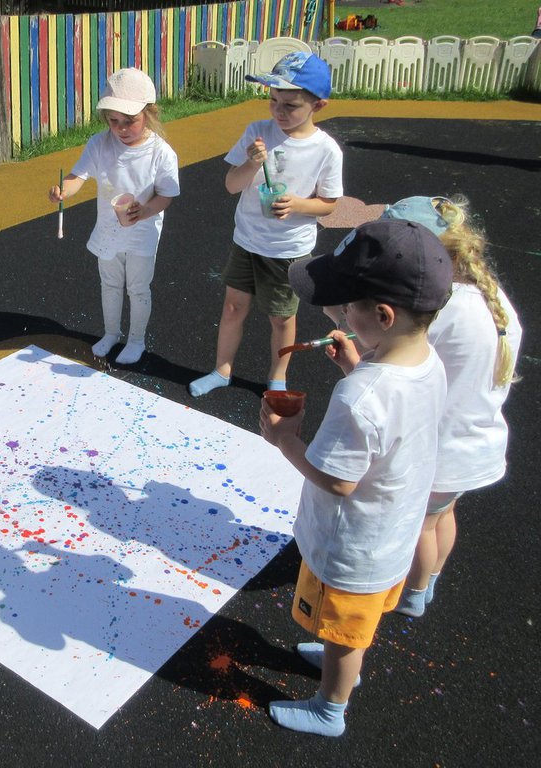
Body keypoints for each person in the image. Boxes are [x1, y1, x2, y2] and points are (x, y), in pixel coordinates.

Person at [259, 218, 454, 736]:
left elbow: (337, 480)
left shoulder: (361, 397)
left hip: (352, 549)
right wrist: (356, 366)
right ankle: (338, 661)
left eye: (348, 307)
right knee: (352, 627)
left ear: (383, 315)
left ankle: (331, 707)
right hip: (391, 536)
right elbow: (393, 425)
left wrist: (283, 439)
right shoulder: (428, 362)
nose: (341, 315)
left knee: (346, 634)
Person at [375, 197, 522, 618]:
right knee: (442, 515)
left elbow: (394, 358)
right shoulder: (491, 297)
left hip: (439, 449)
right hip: (474, 441)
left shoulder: (441, 307)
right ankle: (430, 581)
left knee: (417, 526)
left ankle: (412, 593)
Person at [189, 52, 342, 396]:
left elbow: (329, 204)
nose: (278, 111)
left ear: (318, 105)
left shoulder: (326, 150)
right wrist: (251, 163)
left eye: (291, 105)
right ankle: (222, 370)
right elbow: (231, 186)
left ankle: (278, 377)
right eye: (273, 100)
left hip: (287, 249)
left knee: (282, 318)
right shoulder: (257, 132)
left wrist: (298, 204)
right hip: (247, 240)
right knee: (232, 307)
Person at [48, 67, 180, 365]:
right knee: (109, 284)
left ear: (149, 113)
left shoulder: (160, 153)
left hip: (142, 232)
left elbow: (166, 195)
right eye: (113, 120)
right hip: (109, 229)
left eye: (129, 120)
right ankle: (111, 333)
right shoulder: (100, 143)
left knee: (137, 288)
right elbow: (78, 175)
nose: (120, 128)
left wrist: (145, 210)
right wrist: (63, 191)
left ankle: (136, 340)